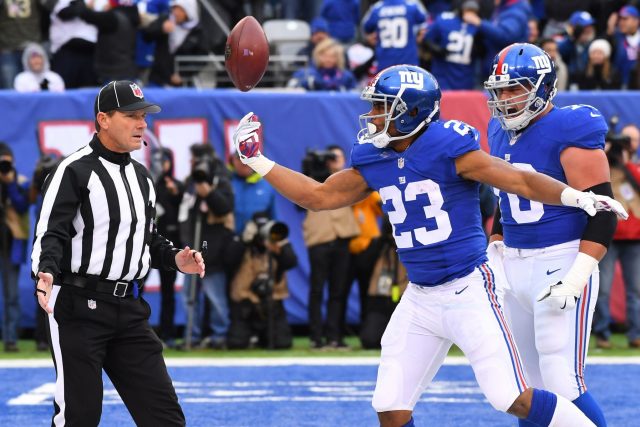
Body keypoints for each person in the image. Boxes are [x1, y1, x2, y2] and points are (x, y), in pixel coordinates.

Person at [232, 64, 627, 427]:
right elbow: (318, 196)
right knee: (390, 405)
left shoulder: (449, 147)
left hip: (469, 288)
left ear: (409, 112)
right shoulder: (374, 156)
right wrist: (257, 160)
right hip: (420, 296)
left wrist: (576, 197)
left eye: (381, 107)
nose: (372, 116)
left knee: (511, 396)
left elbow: (519, 181)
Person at [31, 80, 205, 426]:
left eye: (144, 116)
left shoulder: (142, 177)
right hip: (78, 307)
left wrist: (174, 259)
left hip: (129, 310)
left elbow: (146, 239)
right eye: (131, 116)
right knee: (78, 417)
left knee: (165, 417)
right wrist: (46, 270)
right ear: (103, 119)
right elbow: (51, 231)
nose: (142, 124)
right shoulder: (74, 170)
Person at [483, 43, 620, 427]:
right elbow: (507, 197)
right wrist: (496, 241)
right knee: (529, 388)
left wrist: (577, 275)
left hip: (562, 260)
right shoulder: (497, 128)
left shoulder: (571, 126)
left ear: (543, 86)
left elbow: (604, 213)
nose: (506, 99)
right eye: (501, 89)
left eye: (516, 88)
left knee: (564, 380)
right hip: (515, 264)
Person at [592, 125, 640, 350]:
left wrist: (626, 162)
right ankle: (602, 333)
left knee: (636, 290)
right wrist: (605, 154)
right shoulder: (603, 169)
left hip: (634, 240)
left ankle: (635, 334)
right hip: (609, 237)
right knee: (603, 289)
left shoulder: (633, 169)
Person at [227, 214, 297, 349]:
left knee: (283, 343)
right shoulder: (244, 243)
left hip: (272, 303)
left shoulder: (276, 245)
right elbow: (228, 260)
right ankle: (250, 337)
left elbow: (291, 262)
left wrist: (281, 243)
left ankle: (262, 338)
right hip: (246, 303)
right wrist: (244, 239)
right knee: (237, 343)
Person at [0, 143, 31, 353]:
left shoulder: (20, 182)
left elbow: (22, 206)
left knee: (12, 294)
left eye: (7, 163)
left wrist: (9, 183)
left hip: (11, 245)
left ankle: (10, 339)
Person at [153, 147, 184, 348]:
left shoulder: (178, 186)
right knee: (133, 287)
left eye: (163, 160)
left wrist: (176, 194)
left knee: (168, 291)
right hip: (145, 243)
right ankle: (134, 331)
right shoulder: (146, 183)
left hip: (169, 244)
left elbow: (186, 212)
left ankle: (168, 333)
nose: (161, 164)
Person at [361, 0, 428, 72]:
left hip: (385, 62)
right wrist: (419, 38)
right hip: (408, 60)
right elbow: (426, 22)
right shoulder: (412, 5)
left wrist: (372, 40)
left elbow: (365, 28)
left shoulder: (377, 8)